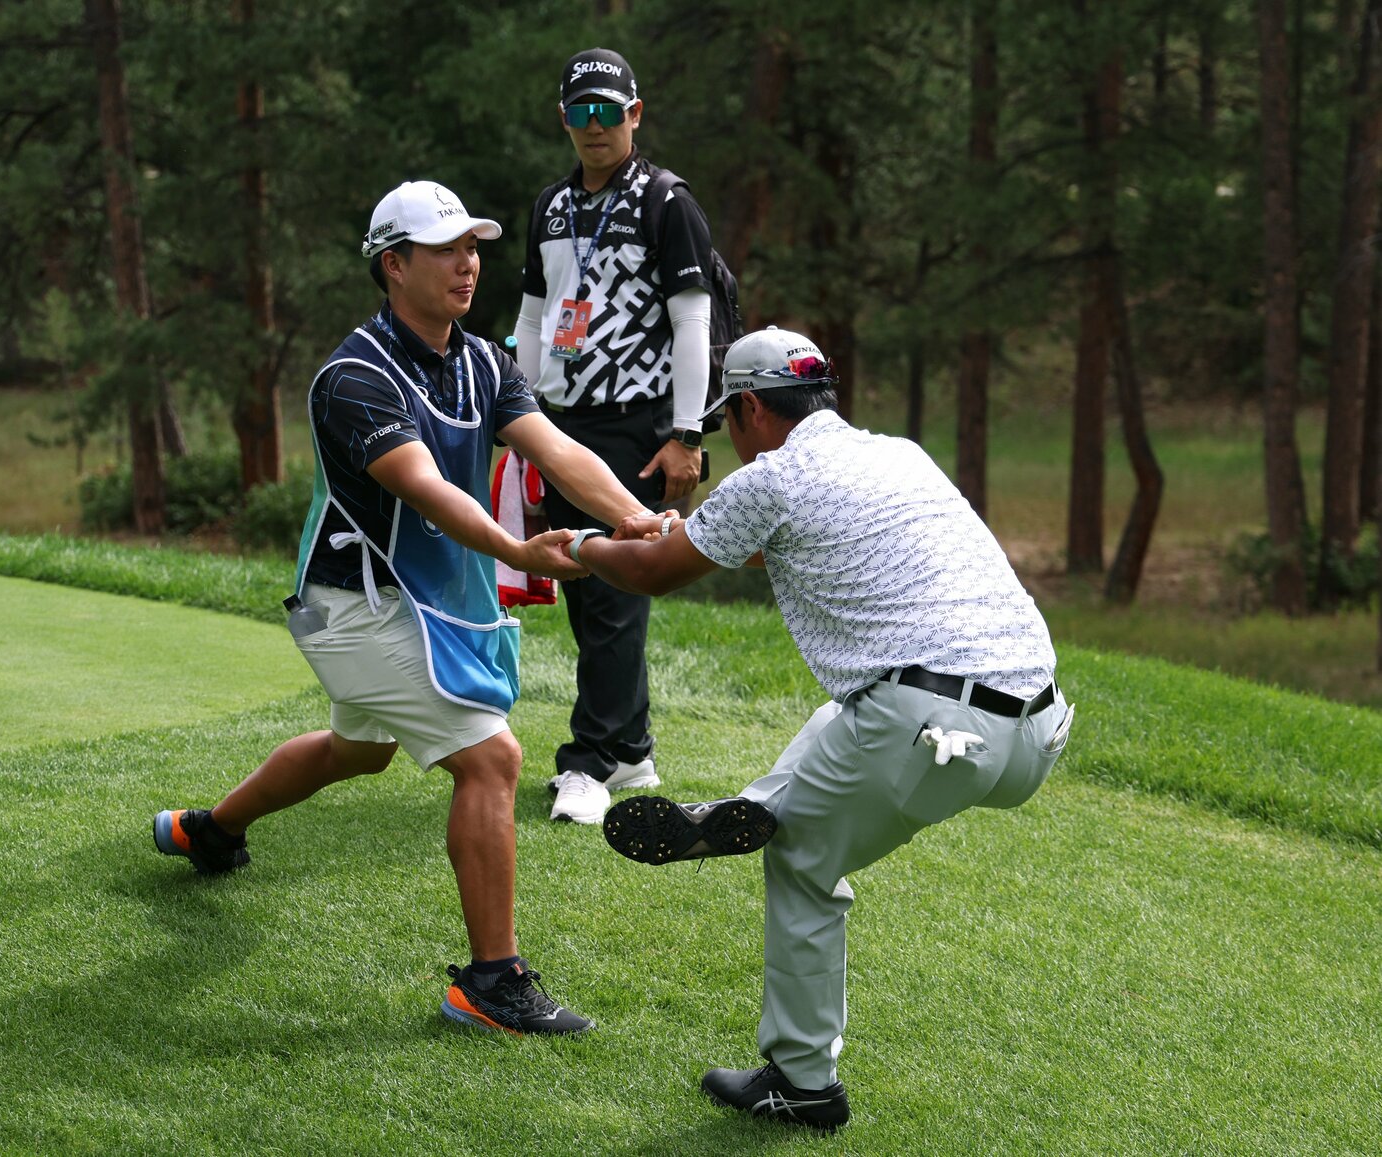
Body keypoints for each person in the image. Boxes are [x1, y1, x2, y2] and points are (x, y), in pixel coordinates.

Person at [153, 179, 651, 1036]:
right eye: (447, 249)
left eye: (475, 247)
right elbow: (422, 489)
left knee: (360, 749)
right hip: (352, 603)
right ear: (394, 264)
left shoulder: (486, 361)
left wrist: (636, 519)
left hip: (417, 605)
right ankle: (490, 983)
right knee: (492, 759)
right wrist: (514, 550)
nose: (469, 263)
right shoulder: (352, 376)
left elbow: (558, 449)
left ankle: (209, 829)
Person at [566, 327, 1075, 1129]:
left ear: (753, 410)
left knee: (803, 859)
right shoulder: (899, 454)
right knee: (840, 714)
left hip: (929, 728)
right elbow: (761, 546)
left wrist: (581, 546)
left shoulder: (773, 477)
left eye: (731, 419)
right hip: (1036, 730)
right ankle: (754, 800)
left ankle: (802, 1082)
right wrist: (670, 531)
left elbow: (654, 576)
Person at [513, 46, 717, 825]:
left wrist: (687, 433)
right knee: (587, 586)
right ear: (563, 119)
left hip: (638, 420)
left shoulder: (668, 201)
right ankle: (630, 748)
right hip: (563, 419)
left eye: (609, 111)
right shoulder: (550, 206)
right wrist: (519, 411)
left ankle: (592, 759)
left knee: (613, 591)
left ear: (635, 115)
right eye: (580, 112)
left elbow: (691, 322)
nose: (594, 127)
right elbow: (535, 316)